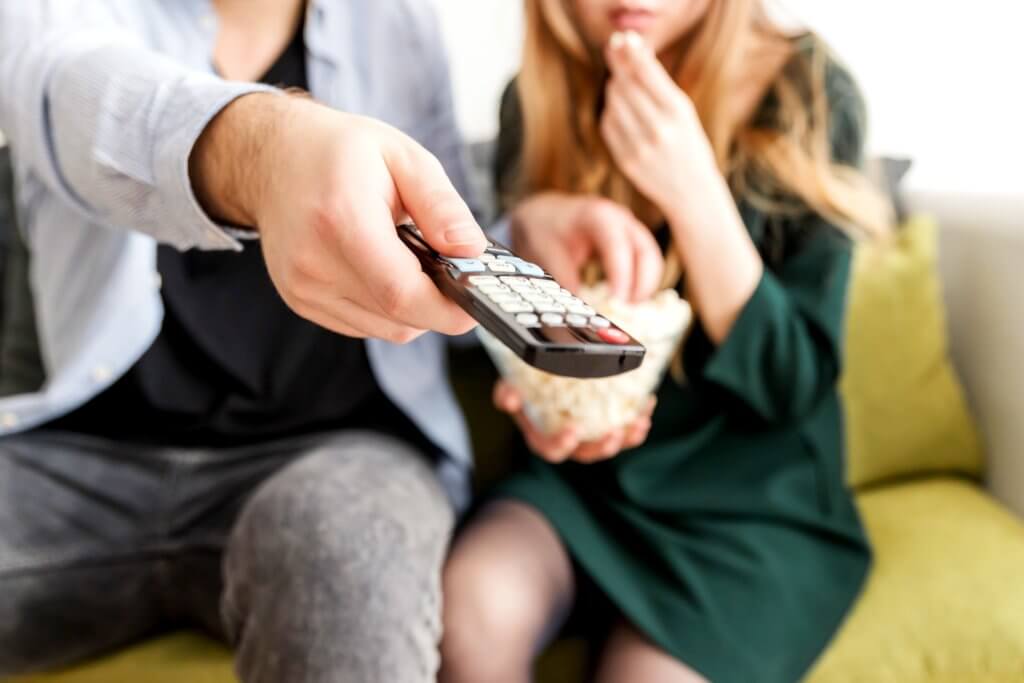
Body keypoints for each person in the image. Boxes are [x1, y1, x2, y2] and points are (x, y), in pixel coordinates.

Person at [0, 1, 489, 681]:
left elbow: (456, 231)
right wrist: (268, 152)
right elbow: (71, 89)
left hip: (341, 453)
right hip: (87, 457)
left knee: (344, 551)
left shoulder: (398, 20)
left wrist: (533, 234)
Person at [440, 1, 891, 682]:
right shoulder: (534, 101)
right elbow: (533, 355)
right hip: (584, 489)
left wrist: (694, 190)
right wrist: (545, 401)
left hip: (751, 509)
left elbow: (792, 383)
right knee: (468, 607)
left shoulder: (808, 91)